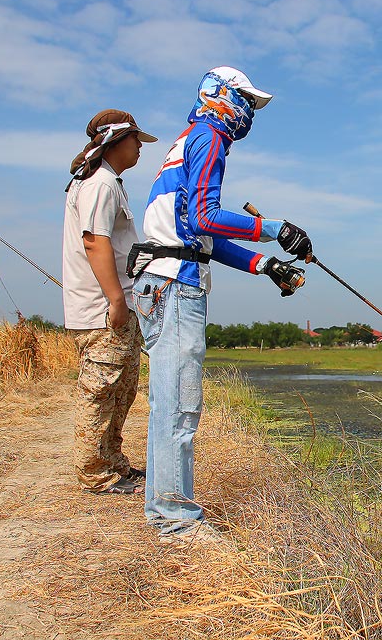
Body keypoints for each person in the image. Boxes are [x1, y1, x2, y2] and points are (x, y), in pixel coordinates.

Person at [132, 67, 313, 540]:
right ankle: (174, 521)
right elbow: (205, 216)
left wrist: (265, 265)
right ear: (220, 97)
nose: (249, 111)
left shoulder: (189, 140)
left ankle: (165, 509)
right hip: (174, 284)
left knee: (169, 401)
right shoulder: (209, 135)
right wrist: (274, 228)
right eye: (245, 100)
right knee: (179, 405)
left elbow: (197, 232)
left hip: (165, 278)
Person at [62, 109, 158, 495]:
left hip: (118, 305)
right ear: (117, 141)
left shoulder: (109, 183)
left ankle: (113, 461)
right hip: (103, 308)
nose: (140, 148)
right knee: (101, 391)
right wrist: (116, 300)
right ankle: (94, 472)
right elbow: (94, 241)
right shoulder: (99, 184)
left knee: (123, 387)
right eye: (136, 140)